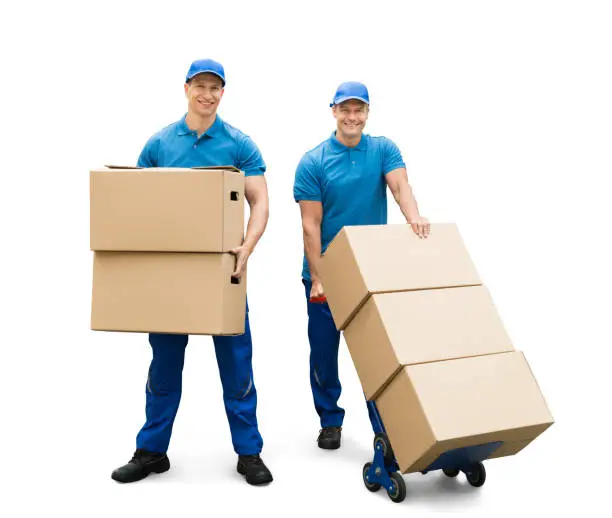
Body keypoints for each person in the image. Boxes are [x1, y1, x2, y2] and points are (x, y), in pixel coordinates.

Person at [111, 59, 273, 486]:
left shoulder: (240, 145)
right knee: (163, 366)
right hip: (173, 276)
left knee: (237, 366)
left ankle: (249, 453)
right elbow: (137, 204)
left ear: (223, 92)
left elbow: (260, 201)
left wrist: (248, 247)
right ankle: (151, 452)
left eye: (215, 87)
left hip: (224, 271)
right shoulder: (160, 144)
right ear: (186, 88)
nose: (207, 93)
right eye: (200, 85)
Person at [293, 81, 430, 450]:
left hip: (371, 270)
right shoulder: (313, 161)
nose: (352, 117)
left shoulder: (383, 149)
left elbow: (400, 186)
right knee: (324, 351)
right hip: (326, 273)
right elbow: (311, 225)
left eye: (359, 110)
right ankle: (330, 421)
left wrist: (413, 217)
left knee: (377, 354)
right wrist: (319, 278)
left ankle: (383, 428)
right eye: (346, 109)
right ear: (333, 111)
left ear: (367, 113)